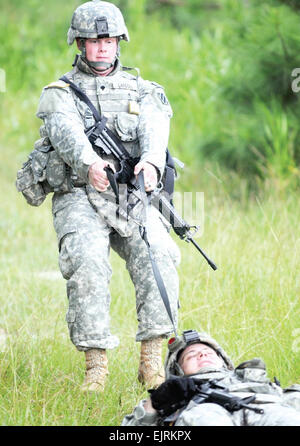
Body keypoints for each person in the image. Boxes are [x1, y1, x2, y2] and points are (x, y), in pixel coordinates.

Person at [35, 0, 180, 392]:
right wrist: (89, 164)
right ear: (78, 44)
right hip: (81, 193)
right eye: (93, 40)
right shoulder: (59, 93)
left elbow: (155, 126)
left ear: (119, 42)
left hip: (130, 193)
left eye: (109, 39)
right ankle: (95, 369)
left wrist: (150, 162)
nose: (102, 47)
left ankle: (151, 363)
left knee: (160, 254)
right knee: (87, 263)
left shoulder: (145, 90)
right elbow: (66, 133)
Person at [122, 329, 300, 426]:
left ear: (222, 361)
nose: (201, 355)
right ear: (178, 370)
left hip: (264, 407)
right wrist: (157, 401)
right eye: (190, 356)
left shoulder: (251, 376)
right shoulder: (172, 394)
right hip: (205, 411)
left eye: (207, 352)